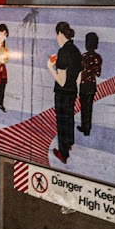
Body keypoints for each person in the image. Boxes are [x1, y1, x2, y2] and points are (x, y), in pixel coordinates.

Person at [48, 21, 81, 164]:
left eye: (57, 35)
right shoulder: (75, 50)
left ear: (60, 34)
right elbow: (79, 74)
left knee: (62, 121)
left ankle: (63, 153)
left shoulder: (63, 52)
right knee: (69, 118)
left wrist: (50, 67)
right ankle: (69, 143)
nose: (56, 38)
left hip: (62, 92)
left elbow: (61, 81)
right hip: (73, 90)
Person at [77, 32, 102, 136]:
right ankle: (88, 128)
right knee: (89, 107)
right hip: (92, 84)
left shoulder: (84, 56)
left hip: (84, 84)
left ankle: (84, 126)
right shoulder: (98, 57)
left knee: (83, 107)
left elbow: (79, 70)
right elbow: (98, 73)